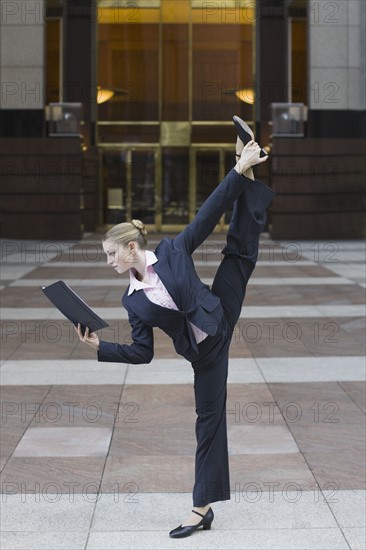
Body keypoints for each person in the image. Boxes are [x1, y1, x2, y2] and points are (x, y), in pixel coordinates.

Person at [76, 117, 275, 538]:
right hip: (205, 354)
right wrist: (100, 346)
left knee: (238, 254)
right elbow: (142, 352)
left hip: (218, 312)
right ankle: (202, 509)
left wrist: (236, 173)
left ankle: (244, 163)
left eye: (112, 254)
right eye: (107, 256)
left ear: (132, 248)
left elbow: (207, 216)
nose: (109, 262)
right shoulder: (130, 301)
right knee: (209, 421)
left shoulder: (171, 250)